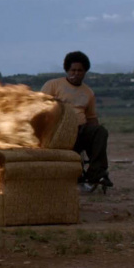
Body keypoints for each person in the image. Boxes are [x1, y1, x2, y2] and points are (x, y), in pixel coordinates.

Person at [41, 51, 113, 191]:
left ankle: (96, 173)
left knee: (100, 132)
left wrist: (94, 136)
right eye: (73, 70)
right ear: (67, 70)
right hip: (58, 132)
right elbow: (39, 107)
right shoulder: (53, 85)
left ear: (85, 72)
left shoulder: (88, 92)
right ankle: (74, 174)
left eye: (80, 70)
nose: (76, 73)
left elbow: (91, 118)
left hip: (80, 131)